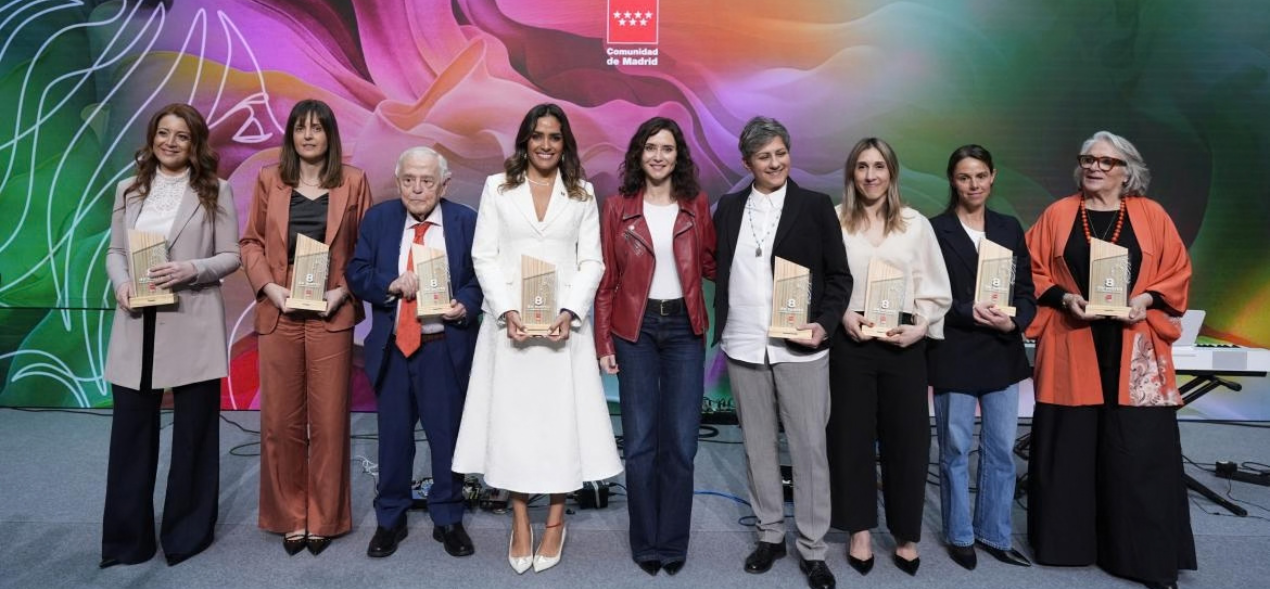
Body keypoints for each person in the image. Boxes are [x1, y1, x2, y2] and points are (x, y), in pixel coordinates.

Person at [451, 103, 623, 575]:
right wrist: (507, 310)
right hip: (512, 329)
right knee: (516, 427)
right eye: (537, 136)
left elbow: (592, 262)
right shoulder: (497, 188)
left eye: (555, 136)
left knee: (558, 426)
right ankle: (520, 518)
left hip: (562, 332)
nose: (546, 144)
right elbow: (484, 256)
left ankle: (555, 520)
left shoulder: (583, 193)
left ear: (564, 143)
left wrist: (570, 310)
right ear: (525, 140)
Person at [1025, 131, 1194, 589]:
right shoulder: (1059, 213)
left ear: (1127, 171)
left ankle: (1142, 556)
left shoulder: (1150, 214)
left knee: (1138, 453)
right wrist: (1062, 297)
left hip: (1135, 343)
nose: (1094, 167)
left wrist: (1148, 297)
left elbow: (1177, 270)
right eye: (1087, 159)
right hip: (1071, 340)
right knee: (1070, 449)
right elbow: (1031, 267)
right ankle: (1069, 547)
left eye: (1106, 161)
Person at [712, 116, 851, 589]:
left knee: (810, 450)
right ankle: (769, 535)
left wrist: (825, 324)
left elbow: (839, 277)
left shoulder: (814, 207)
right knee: (757, 446)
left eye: (781, 153)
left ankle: (813, 548)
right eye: (764, 156)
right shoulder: (728, 208)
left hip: (801, 349)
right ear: (747, 162)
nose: (775, 162)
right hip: (744, 343)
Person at [101, 103, 240, 567]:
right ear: (152, 137)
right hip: (137, 323)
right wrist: (121, 283)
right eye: (163, 133)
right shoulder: (129, 189)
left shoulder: (216, 191)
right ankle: (127, 541)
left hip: (191, 320)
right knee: (130, 437)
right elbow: (116, 250)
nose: (171, 142)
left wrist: (191, 269)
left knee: (194, 436)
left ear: (195, 142)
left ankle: (186, 534)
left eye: (182, 135)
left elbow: (230, 256)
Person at [239, 99, 371, 556]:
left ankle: (326, 517)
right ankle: (290, 515)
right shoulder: (268, 180)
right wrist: (269, 288)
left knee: (331, 423)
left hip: (331, 311)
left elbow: (364, 248)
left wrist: (344, 292)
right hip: (280, 308)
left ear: (330, 135)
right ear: (291, 134)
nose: (309, 135)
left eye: (317, 128)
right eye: (300, 127)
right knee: (280, 423)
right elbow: (251, 242)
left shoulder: (353, 181)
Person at [593, 117, 717, 576]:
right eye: (650, 148)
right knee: (642, 442)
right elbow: (607, 282)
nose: (659, 156)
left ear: (678, 155)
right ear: (639, 155)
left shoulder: (696, 205)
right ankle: (646, 541)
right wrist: (603, 340)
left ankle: (673, 541)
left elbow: (710, 263)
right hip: (635, 332)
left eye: (667, 148)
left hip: (685, 330)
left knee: (682, 445)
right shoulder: (617, 207)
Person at [346, 146, 482, 559]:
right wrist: (389, 284)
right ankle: (390, 518)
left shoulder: (464, 221)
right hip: (394, 348)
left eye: (426, 180)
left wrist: (466, 304)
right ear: (398, 180)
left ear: (444, 183)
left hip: (443, 347)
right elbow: (357, 271)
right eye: (409, 180)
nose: (417, 188)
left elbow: (480, 278)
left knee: (446, 439)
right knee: (393, 440)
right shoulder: (379, 219)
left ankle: (448, 518)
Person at [828, 137, 951, 577]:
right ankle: (859, 530)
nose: (870, 175)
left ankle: (906, 534)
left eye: (879, 166)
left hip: (904, 344)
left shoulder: (915, 225)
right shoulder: (835, 221)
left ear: (892, 173)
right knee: (851, 438)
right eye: (862, 166)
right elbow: (825, 282)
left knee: (908, 442)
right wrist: (841, 315)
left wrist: (921, 326)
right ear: (851, 174)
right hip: (852, 341)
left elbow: (935, 290)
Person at [926, 145, 1035, 570]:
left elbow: (1025, 290)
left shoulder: (1009, 227)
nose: (973, 184)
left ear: (993, 178)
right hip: (954, 350)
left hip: (1002, 352)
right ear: (952, 181)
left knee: (1001, 451)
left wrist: (1016, 322)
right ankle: (959, 534)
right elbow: (928, 296)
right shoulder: (935, 231)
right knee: (954, 448)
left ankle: (995, 533)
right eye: (964, 177)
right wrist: (966, 310)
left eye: (980, 176)